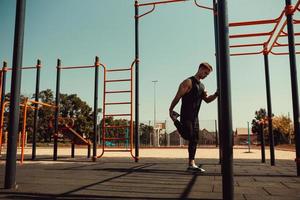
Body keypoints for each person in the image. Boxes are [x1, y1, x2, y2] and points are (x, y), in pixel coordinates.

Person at [169, 62, 218, 172]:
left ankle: (191, 164)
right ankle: (175, 120)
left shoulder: (202, 86)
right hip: (186, 114)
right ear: (200, 69)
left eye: (207, 74)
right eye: (205, 73)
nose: (205, 75)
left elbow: (207, 100)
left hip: (195, 116)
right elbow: (177, 96)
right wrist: (171, 109)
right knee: (188, 135)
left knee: (195, 139)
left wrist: (216, 94)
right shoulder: (188, 82)